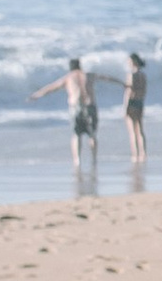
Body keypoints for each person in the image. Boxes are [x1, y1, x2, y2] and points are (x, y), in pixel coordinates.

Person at [31, 53, 109, 186]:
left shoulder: (69, 77)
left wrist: (37, 94)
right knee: (92, 135)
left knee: (76, 135)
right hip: (90, 106)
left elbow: (52, 87)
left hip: (76, 107)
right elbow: (107, 78)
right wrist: (124, 83)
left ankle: (77, 160)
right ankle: (94, 159)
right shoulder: (88, 75)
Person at [121, 50, 149, 164]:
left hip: (132, 102)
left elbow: (129, 92)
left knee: (132, 131)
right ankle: (143, 153)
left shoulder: (131, 75)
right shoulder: (143, 75)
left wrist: (125, 107)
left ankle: (135, 154)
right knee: (140, 130)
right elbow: (144, 91)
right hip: (140, 102)